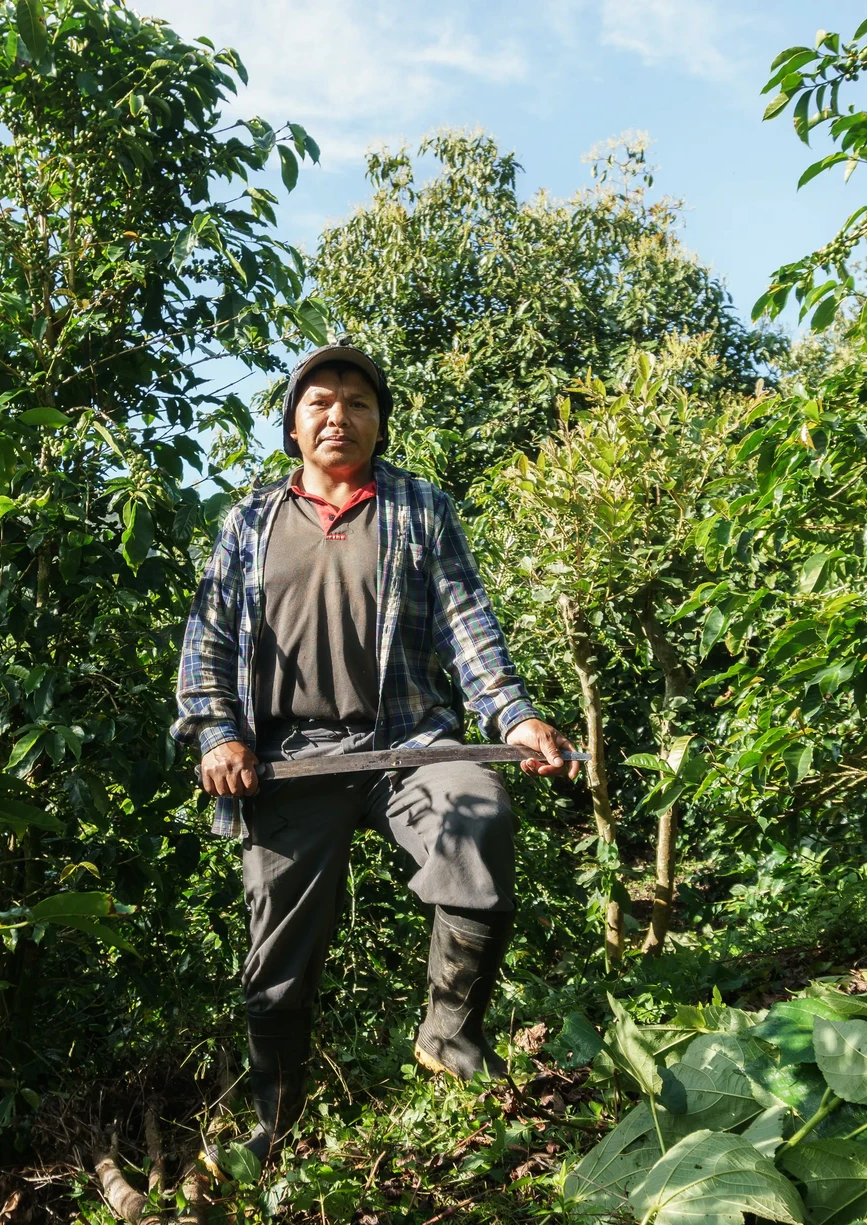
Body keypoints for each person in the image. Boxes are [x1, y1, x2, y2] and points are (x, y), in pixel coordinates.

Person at [173, 339, 581, 1170]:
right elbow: (207, 646)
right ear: (292, 426)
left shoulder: (419, 508)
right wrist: (219, 735)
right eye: (319, 401)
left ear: (380, 425)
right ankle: (274, 1121)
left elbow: (469, 628)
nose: (339, 416)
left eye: (359, 403)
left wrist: (514, 716)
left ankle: (449, 1035)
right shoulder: (248, 524)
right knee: (276, 961)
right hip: (291, 760)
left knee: (479, 818)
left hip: (409, 742)